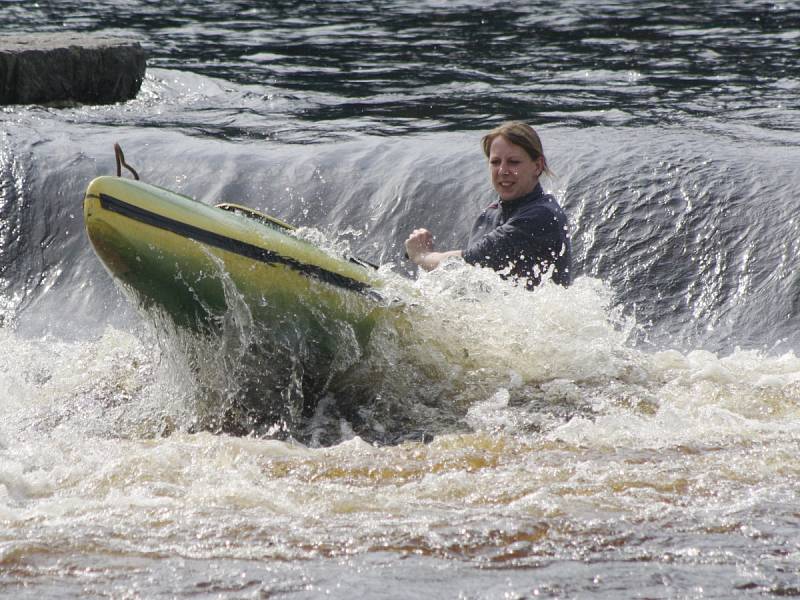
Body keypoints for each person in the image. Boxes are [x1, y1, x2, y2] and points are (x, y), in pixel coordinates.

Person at [404, 121, 572, 289]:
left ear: (537, 166)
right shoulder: (489, 215)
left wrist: (422, 256)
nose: (503, 170)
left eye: (513, 162)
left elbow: (469, 262)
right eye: (495, 162)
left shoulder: (542, 216)